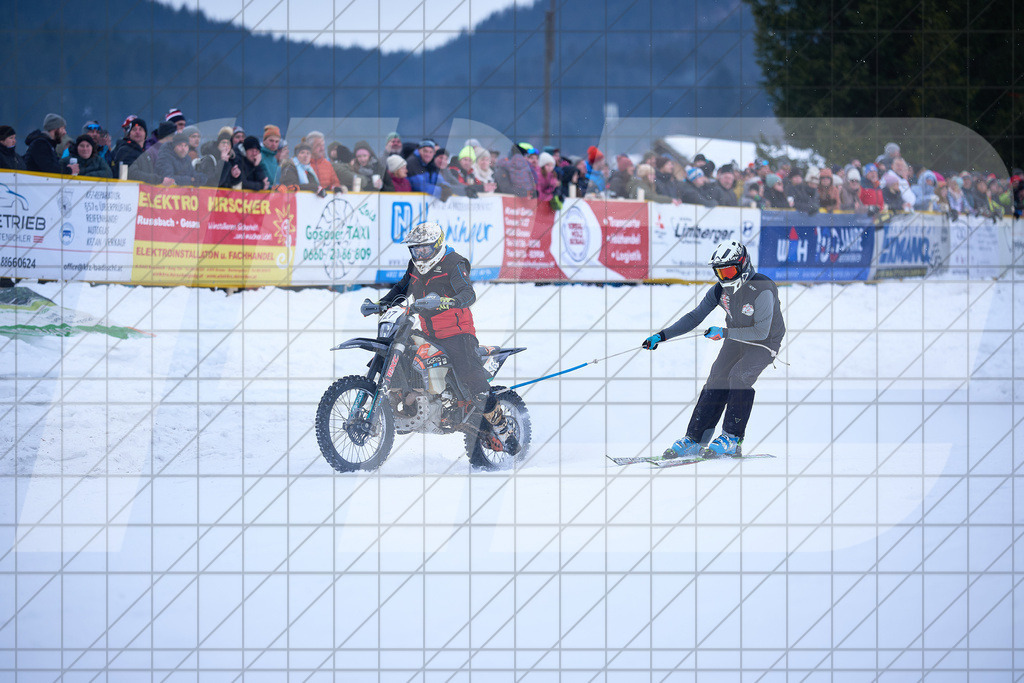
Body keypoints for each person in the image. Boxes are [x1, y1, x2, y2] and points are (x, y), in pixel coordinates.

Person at [377, 222, 517, 453]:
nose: (420, 255)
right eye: (415, 250)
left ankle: (503, 429)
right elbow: (402, 289)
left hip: (458, 334)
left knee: (474, 382)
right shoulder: (415, 266)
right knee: (397, 349)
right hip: (428, 333)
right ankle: (399, 400)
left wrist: (446, 301)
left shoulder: (454, 263)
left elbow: (468, 294)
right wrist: (379, 304)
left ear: (438, 245)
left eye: (425, 249)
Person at [642, 240, 785, 458]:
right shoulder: (720, 291)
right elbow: (694, 317)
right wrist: (661, 336)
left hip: (765, 342)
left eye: (729, 271)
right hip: (736, 338)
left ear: (743, 265)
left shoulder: (763, 288)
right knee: (717, 377)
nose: (725, 278)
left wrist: (724, 333)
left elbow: (761, 332)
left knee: (739, 376)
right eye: (720, 272)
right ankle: (695, 439)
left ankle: (732, 438)